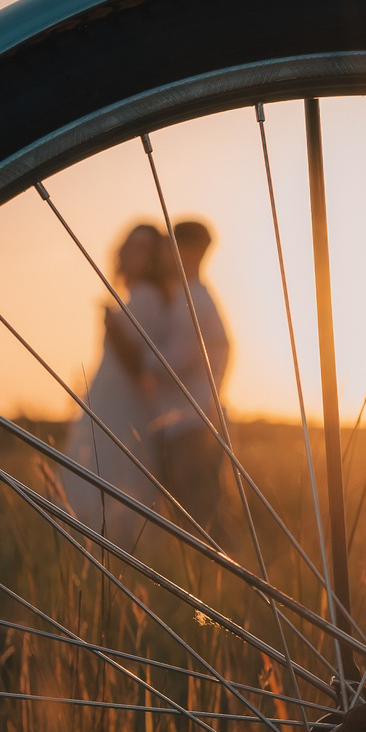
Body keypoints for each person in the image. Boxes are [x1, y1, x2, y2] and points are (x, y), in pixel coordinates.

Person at [62, 223, 178, 543]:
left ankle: (106, 551)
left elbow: (140, 364)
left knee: (111, 478)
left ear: (155, 258)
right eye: (130, 245)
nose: (131, 253)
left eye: (142, 248)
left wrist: (112, 325)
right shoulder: (137, 296)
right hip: (110, 399)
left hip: (122, 406)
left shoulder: (146, 297)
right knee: (102, 477)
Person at [149, 218, 233, 542]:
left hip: (193, 425)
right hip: (193, 420)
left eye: (172, 246)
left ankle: (236, 580)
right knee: (197, 514)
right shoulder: (192, 297)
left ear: (192, 252)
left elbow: (171, 363)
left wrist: (127, 347)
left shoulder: (193, 302)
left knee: (203, 517)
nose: (165, 254)